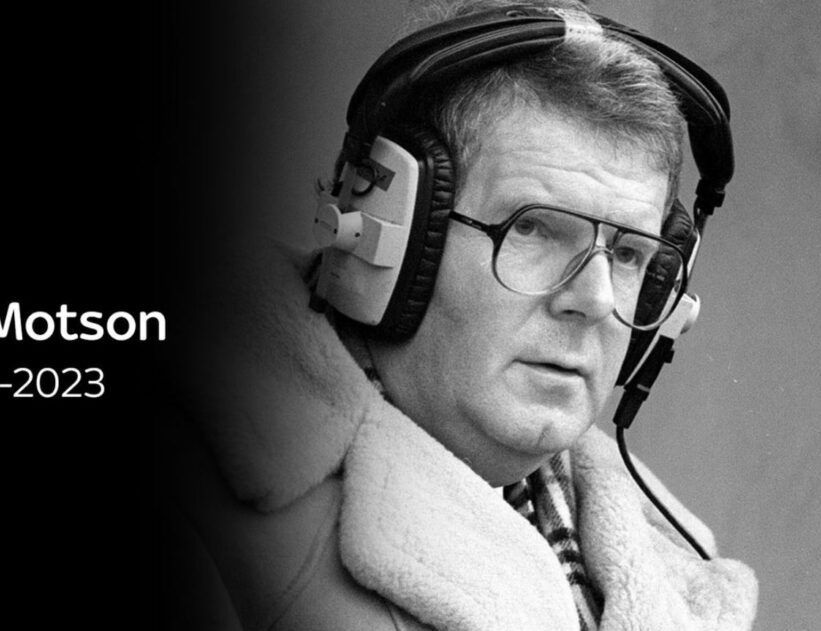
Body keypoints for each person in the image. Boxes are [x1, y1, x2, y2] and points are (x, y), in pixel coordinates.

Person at [167, 1, 758, 629]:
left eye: (631, 254)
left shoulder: (679, 570)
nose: (596, 300)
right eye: (532, 228)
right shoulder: (191, 499)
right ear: (386, 239)